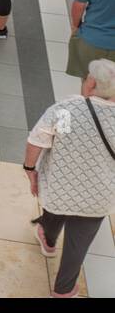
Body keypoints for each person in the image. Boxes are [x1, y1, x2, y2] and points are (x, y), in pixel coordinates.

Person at [24, 58, 115, 297]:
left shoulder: (67, 111)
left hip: (59, 186)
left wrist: (29, 168)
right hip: (98, 197)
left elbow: (38, 140)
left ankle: (49, 241)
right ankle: (63, 291)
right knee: (78, 245)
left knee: (55, 210)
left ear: (91, 83)